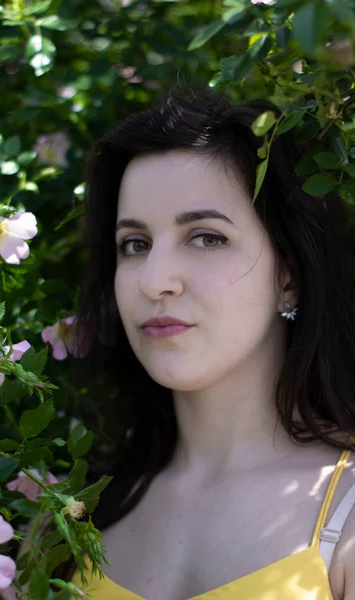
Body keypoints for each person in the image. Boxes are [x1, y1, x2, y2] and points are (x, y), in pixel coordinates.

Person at [66, 84, 355, 599]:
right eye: (134, 245)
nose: (155, 280)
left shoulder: (347, 516)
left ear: (288, 275)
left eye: (206, 237)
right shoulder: (68, 515)